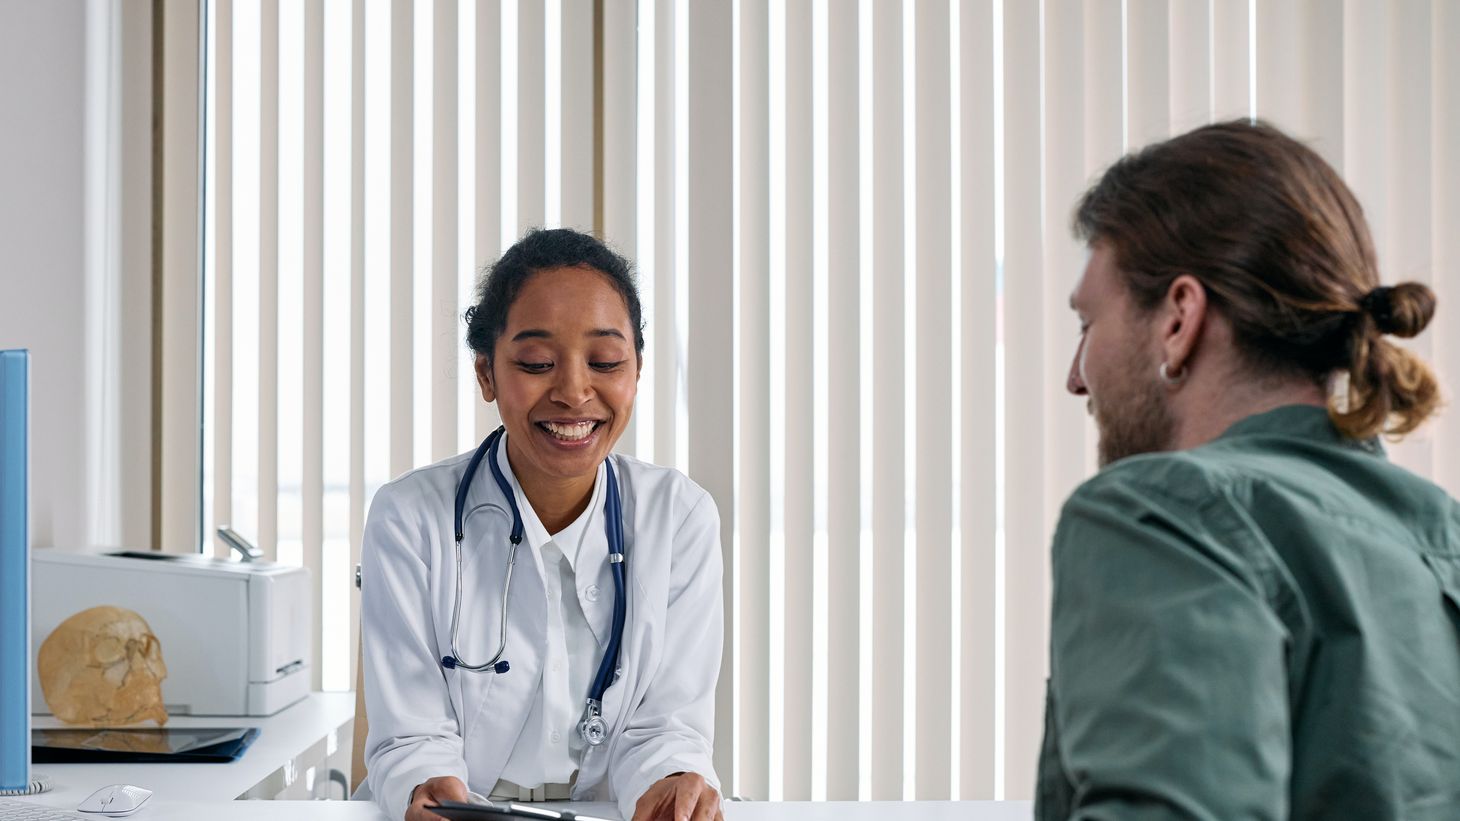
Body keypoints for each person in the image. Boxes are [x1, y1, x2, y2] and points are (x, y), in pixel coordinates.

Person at [1038, 120, 1460, 818]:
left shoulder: (1161, 513)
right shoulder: (1440, 536)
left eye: (1088, 323)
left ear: (1179, 317)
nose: (1076, 379)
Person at [360, 228, 725, 821]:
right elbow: (412, 735)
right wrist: (425, 786)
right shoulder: (409, 516)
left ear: (636, 369)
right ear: (485, 373)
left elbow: (667, 726)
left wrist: (673, 780)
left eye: (606, 361)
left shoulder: (678, 517)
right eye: (536, 363)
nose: (574, 391)